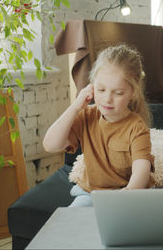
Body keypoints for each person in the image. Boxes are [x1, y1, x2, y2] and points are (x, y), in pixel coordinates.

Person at [43, 44, 153, 207]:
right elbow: (50, 145)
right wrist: (75, 107)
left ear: (133, 93)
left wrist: (128, 193)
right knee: (73, 220)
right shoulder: (87, 115)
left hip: (127, 194)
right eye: (101, 89)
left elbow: (142, 168)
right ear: (92, 86)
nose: (107, 99)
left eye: (118, 93)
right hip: (90, 194)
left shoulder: (136, 127)